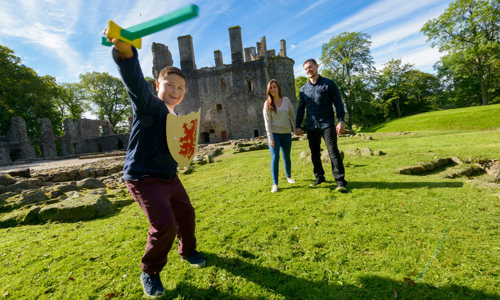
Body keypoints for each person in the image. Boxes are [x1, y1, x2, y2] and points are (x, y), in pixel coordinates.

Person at [104, 31, 205, 298]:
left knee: (186, 215)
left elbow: (179, 148)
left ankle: (188, 251)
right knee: (165, 225)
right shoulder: (148, 105)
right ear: (157, 85)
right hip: (143, 178)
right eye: (169, 85)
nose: (175, 91)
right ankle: (149, 271)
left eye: (180, 88)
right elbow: (134, 82)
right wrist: (126, 53)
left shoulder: (176, 115)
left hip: (168, 176)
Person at [295, 59, 348, 193]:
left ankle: (340, 181)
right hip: (311, 126)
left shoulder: (329, 84)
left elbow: (338, 104)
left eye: (310, 67)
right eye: (306, 68)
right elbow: (300, 109)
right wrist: (298, 125)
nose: (308, 70)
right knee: (314, 154)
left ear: (317, 67)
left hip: (327, 124)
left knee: (333, 152)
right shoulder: (303, 89)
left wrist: (341, 121)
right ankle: (319, 177)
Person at [263, 79, 296, 193]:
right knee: (275, 158)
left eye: (274, 87)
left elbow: (292, 115)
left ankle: (289, 177)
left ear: (278, 88)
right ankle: (275, 184)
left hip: (286, 133)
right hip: (274, 134)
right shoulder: (267, 104)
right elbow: (267, 122)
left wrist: (296, 128)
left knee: (287, 156)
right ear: (269, 90)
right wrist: (270, 138)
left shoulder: (286, 100)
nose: (273, 89)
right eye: (271, 87)